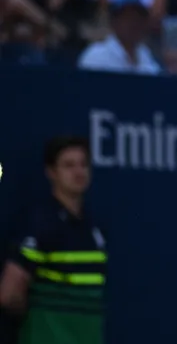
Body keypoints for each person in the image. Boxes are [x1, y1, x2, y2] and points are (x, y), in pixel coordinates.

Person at [0, 135, 106, 344]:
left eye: (83, 164)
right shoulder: (39, 224)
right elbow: (9, 294)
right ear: (51, 172)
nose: (78, 172)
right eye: (68, 165)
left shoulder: (95, 229)